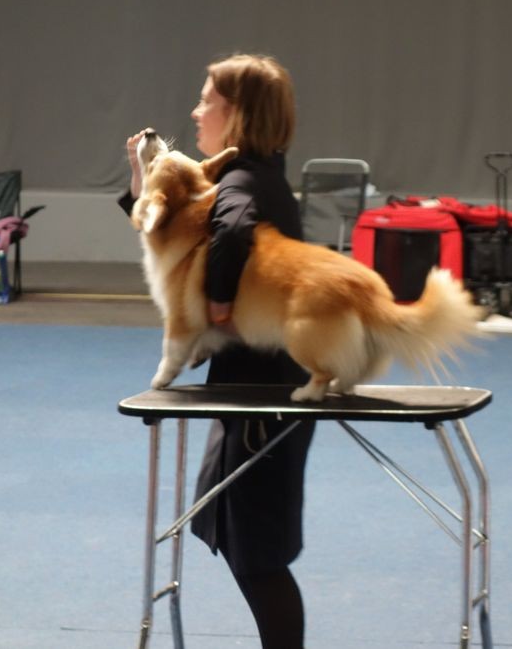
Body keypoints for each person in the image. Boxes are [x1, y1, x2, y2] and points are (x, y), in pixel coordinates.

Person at [119, 53, 313, 649]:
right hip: (253, 384)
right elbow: (182, 226)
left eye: (208, 101)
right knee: (244, 543)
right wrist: (142, 185)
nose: (197, 111)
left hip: (267, 392)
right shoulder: (252, 173)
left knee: (257, 557)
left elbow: (230, 228)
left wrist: (221, 299)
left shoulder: (245, 182)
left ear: (238, 115)